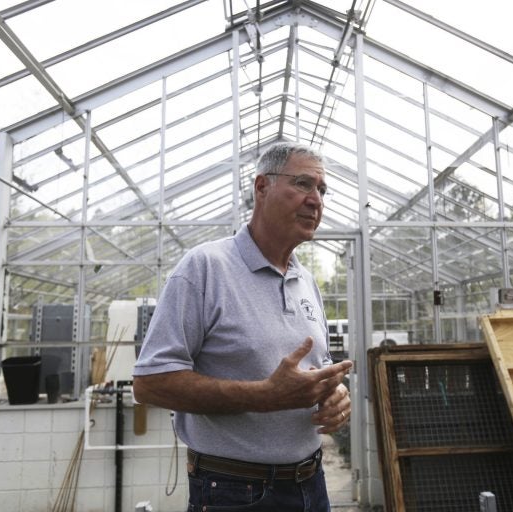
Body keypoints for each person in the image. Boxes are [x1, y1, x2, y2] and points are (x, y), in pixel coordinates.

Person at [133, 141, 353, 511]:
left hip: (311, 485)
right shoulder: (204, 268)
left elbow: (315, 371)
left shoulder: (305, 281)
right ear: (262, 187)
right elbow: (150, 384)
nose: (316, 200)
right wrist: (264, 396)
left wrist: (335, 396)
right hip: (235, 491)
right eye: (303, 184)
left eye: (322, 189)